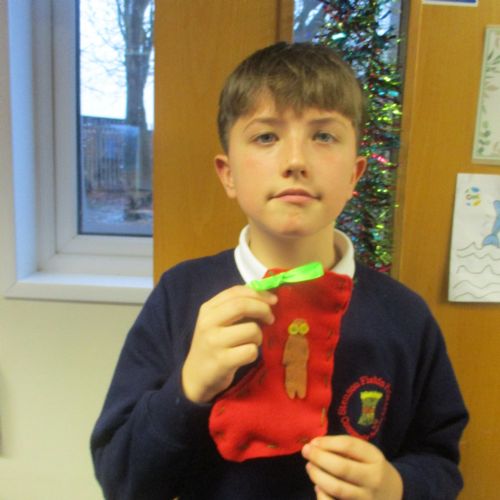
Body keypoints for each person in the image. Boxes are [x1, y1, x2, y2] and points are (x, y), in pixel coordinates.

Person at [91, 42, 468, 500]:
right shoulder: (180, 296)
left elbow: (439, 460)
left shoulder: (405, 316)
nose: (296, 162)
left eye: (323, 136)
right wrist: (187, 389)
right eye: (266, 137)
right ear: (228, 174)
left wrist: (397, 488)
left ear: (355, 174)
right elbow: (122, 480)